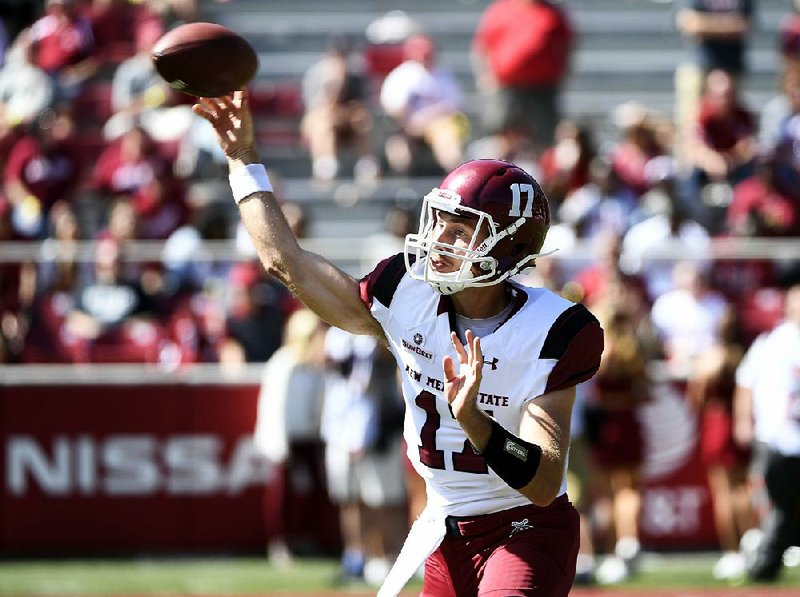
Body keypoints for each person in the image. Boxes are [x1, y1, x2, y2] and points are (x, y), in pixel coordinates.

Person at [193, 90, 604, 597]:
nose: (440, 240)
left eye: (463, 231)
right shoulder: (405, 295)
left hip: (527, 527)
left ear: (509, 247)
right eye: (442, 223)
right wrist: (242, 159)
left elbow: (542, 484)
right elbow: (287, 263)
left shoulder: (554, 330)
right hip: (446, 529)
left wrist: (472, 417)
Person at [734, 284, 800, 583]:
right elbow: (746, 381)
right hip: (775, 435)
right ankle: (766, 559)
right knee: (772, 501)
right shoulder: (771, 341)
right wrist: (743, 419)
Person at [472, 0, 574, 159]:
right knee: (503, 136)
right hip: (506, 87)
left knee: (544, 140)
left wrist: (560, 71)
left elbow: (566, 45)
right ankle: (496, 175)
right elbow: (483, 45)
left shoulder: (553, 13)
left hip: (542, 88)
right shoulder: (501, 10)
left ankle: (543, 180)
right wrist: (486, 76)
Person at [379, 33, 466, 176]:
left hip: (438, 124)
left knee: (450, 145)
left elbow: (454, 105)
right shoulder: (402, 75)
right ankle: (402, 187)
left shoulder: (443, 75)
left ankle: (454, 182)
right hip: (406, 126)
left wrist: (426, 117)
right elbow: (393, 106)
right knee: (399, 150)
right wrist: (410, 121)